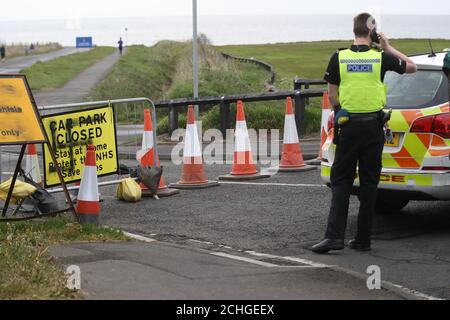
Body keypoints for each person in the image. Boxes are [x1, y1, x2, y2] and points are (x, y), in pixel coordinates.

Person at [312, 13, 417, 254]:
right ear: (373, 34)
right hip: (373, 128)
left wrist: (339, 111)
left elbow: (332, 93)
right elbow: (412, 66)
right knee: (369, 183)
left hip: (348, 127)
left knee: (341, 181)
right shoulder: (381, 58)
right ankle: (363, 240)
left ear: (354, 31)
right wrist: (389, 47)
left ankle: (334, 237)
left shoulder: (339, 57)